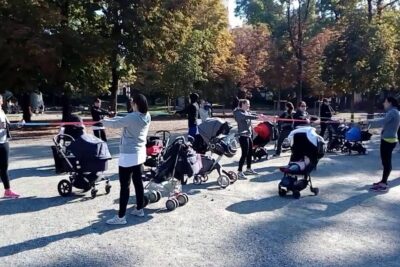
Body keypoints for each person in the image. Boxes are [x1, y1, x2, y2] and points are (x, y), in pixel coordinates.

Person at [103, 94, 151, 225]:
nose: (131, 105)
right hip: (139, 153)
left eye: (132, 103)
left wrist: (103, 120)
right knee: (138, 182)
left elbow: (116, 124)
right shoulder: (147, 115)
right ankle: (140, 209)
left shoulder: (132, 117)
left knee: (125, 186)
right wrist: (111, 117)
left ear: (135, 104)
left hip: (128, 155)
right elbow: (123, 120)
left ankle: (121, 217)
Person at [368, 97, 400, 192]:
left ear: (390, 103)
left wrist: (367, 122)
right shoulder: (394, 111)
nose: (383, 103)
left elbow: (382, 122)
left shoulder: (393, 112)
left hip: (388, 140)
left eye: (385, 102)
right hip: (389, 139)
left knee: (386, 162)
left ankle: (384, 184)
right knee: (385, 162)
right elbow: (384, 120)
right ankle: (383, 181)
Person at [233, 99, 265, 180]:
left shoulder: (246, 112)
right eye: (247, 104)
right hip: (242, 136)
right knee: (244, 154)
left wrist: (262, 115)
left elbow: (251, 114)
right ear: (242, 104)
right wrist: (257, 117)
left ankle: (248, 169)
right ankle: (239, 172)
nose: (249, 106)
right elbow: (245, 117)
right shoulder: (238, 113)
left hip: (248, 135)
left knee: (250, 153)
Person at [0, 95, 20, 198]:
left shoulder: (2, 112)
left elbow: (8, 125)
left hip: (4, 142)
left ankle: (7, 191)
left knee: (4, 168)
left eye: (0, 99)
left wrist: (19, 124)